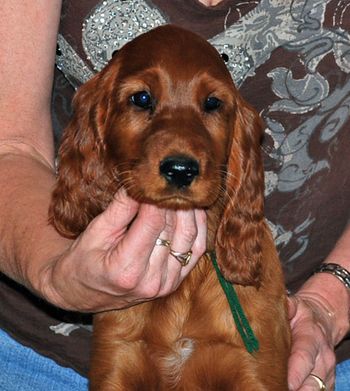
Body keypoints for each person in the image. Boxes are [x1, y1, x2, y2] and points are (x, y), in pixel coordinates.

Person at [0, 1, 349, 390]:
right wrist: (57, 270)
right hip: (36, 349)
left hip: (318, 345)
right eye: (142, 100)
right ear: (99, 123)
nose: (180, 157)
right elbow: (9, 146)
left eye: (212, 105)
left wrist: (328, 301)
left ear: (242, 148)